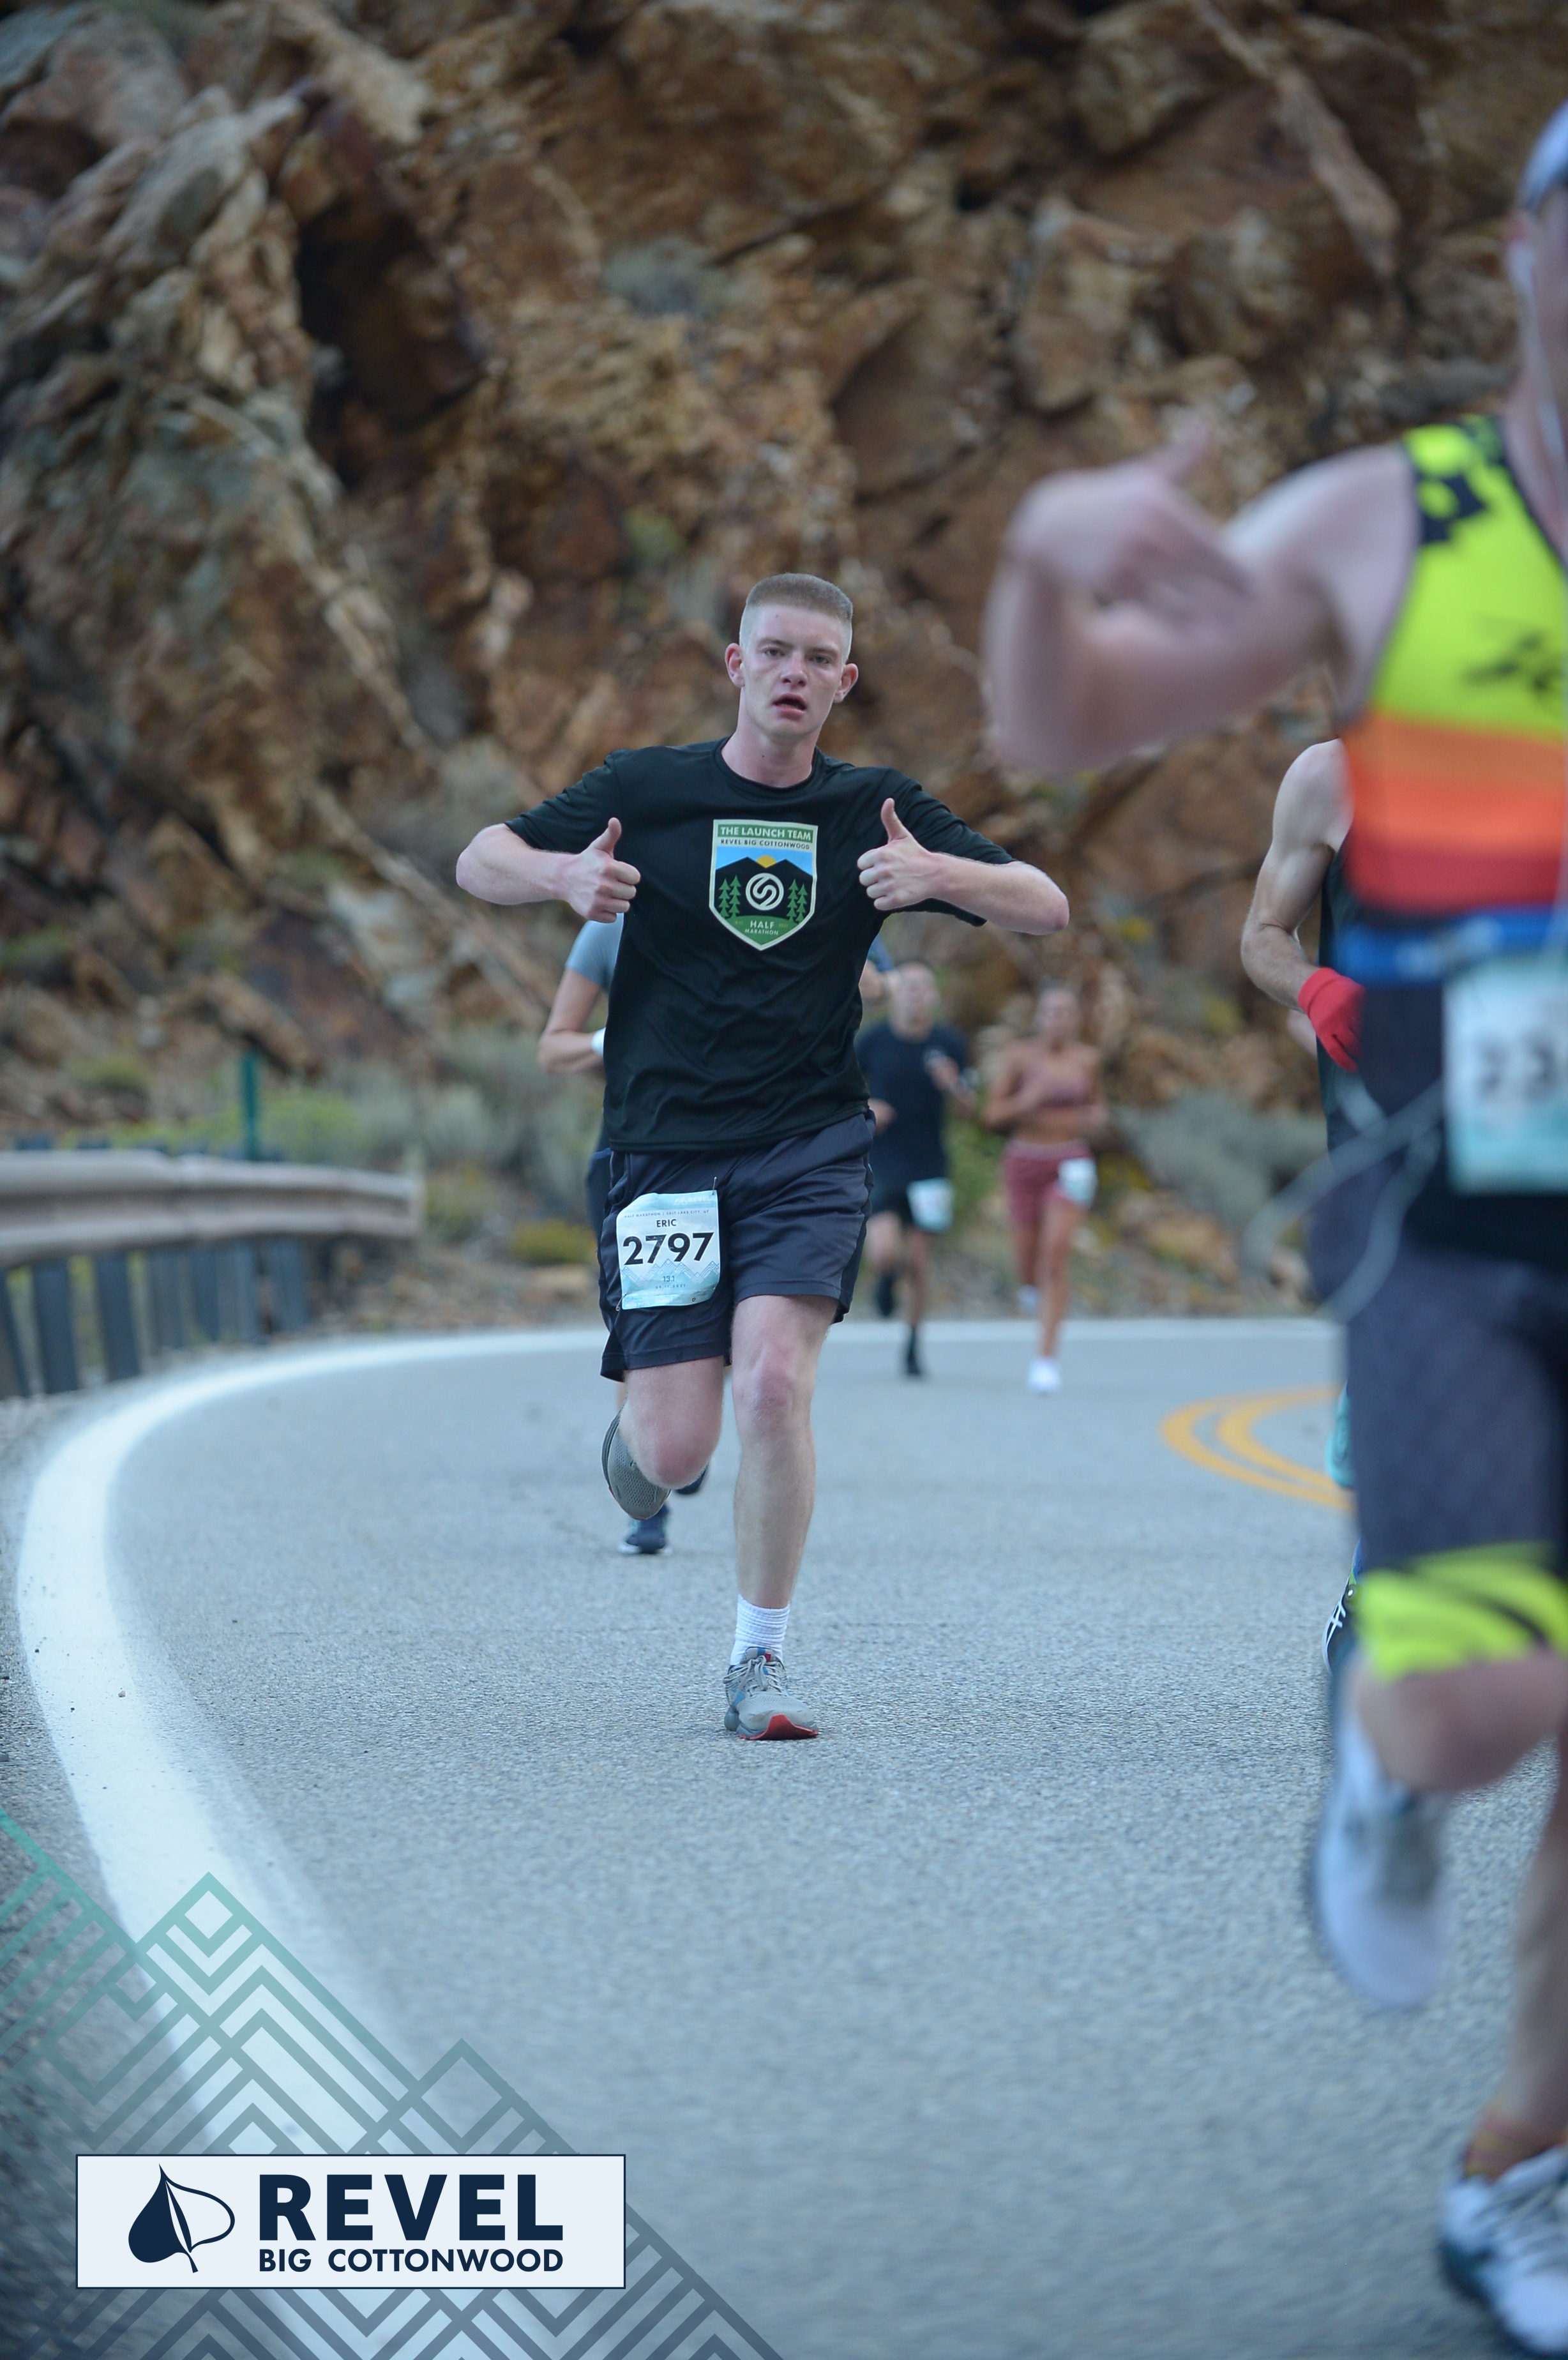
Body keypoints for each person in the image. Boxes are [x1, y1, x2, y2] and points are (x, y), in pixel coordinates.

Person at [983, 101, 1568, 2352]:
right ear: (1516, 252)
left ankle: (1513, 2165)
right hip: (1448, 1201)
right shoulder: (1389, 525)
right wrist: (1043, 568)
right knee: (1474, 1710)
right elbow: (1068, 715)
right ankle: (1383, 1748)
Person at [459, 572, 1067, 1741]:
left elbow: (1044, 903)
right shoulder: (647, 788)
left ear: (845, 682)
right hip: (662, 1150)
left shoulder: (874, 809)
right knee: (673, 1447)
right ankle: (637, 1432)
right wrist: (559, 875)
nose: (795, 673)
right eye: (775, 651)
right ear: (737, 665)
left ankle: (760, 1660)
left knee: (774, 1385)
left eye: (819, 658)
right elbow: (478, 858)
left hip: (808, 1145)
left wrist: (938, 877)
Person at [1239, 739, 1365, 1665]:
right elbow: (1263, 933)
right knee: (1410, 1365)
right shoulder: (1334, 776)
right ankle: (1378, 1581)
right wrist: (1316, 989)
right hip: (1391, 1129)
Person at [982, 983, 1106, 1393]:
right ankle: (1030, 1287)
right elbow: (992, 1114)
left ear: (1077, 1019)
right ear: (1039, 1017)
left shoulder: (1087, 1060)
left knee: (1054, 1256)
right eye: (1051, 1012)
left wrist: (1095, 1118)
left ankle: (1046, 1359)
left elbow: (1098, 1106)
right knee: (1027, 1259)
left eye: (1066, 1012)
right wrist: (1026, 1101)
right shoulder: (1020, 1057)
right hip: (1024, 1162)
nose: (1058, 1020)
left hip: (1071, 1162)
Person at [857, 960, 976, 1377]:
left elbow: (969, 1108)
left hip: (930, 1165)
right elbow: (840, 1093)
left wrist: (954, 1086)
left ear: (934, 996)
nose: (915, 994)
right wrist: (868, 1107)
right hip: (884, 1162)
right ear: (895, 994)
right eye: (907, 986)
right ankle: (884, 1280)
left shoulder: (949, 1043)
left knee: (920, 1264)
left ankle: (912, 1344)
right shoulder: (872, 1042)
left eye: (923, 986)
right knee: (885, 1251)